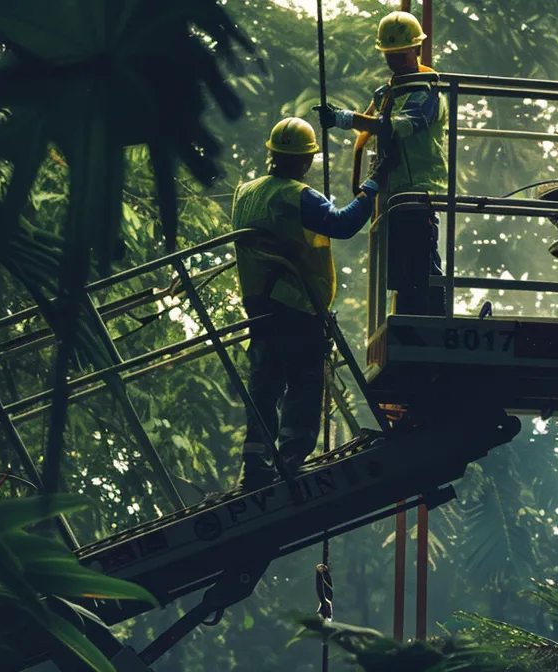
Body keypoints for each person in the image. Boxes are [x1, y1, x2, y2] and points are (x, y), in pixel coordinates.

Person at [232, 116, 380, 490]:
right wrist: (373, 187)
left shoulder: (245, 191)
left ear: (271, 153)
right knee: (303, 383)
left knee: (266, 384)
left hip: (258, 304)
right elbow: (344, 225)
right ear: (306, 160)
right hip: (296, 305)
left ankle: (255, 463)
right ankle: (291, 459)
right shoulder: (297, 195)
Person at [314, 10, 448, 317]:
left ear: (415, 50)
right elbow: (374, 128)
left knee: (421, 262)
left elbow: (401, 125)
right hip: (394, 191)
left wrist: (345, 119)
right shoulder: (389, 92)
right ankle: (411, 318)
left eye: (400, 55)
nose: (395, 62)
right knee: (401, 267)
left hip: (418, 191)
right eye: (390, 57)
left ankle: (434, 321)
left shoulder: (426, 90)